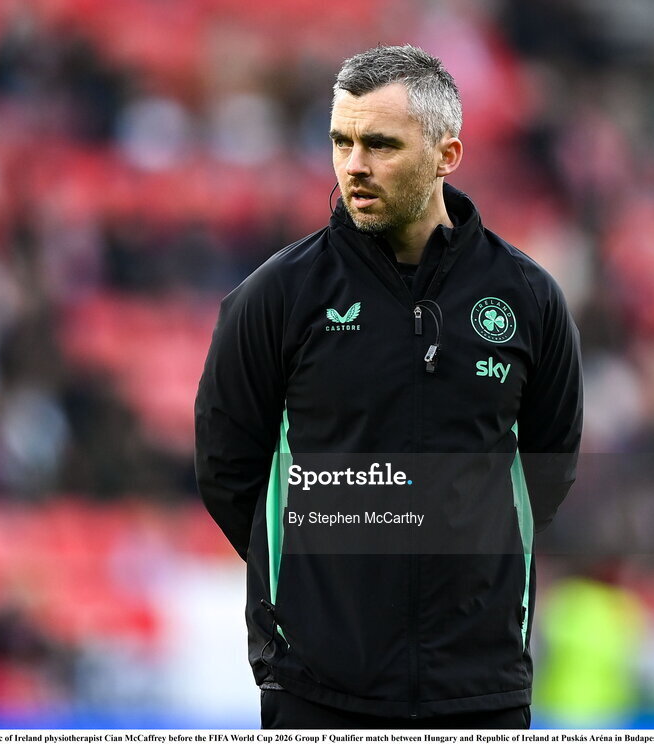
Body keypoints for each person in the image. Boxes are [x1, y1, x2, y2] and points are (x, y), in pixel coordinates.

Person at [195, 44, 583, 729]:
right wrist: (321, 586)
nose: (354, 165)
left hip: (479, 688)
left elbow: (546, 472)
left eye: (380, 143)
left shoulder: (529, 299)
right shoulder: (274, 298)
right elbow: (229, 472)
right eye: (341, 141)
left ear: (447, 154)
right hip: (318, 690)